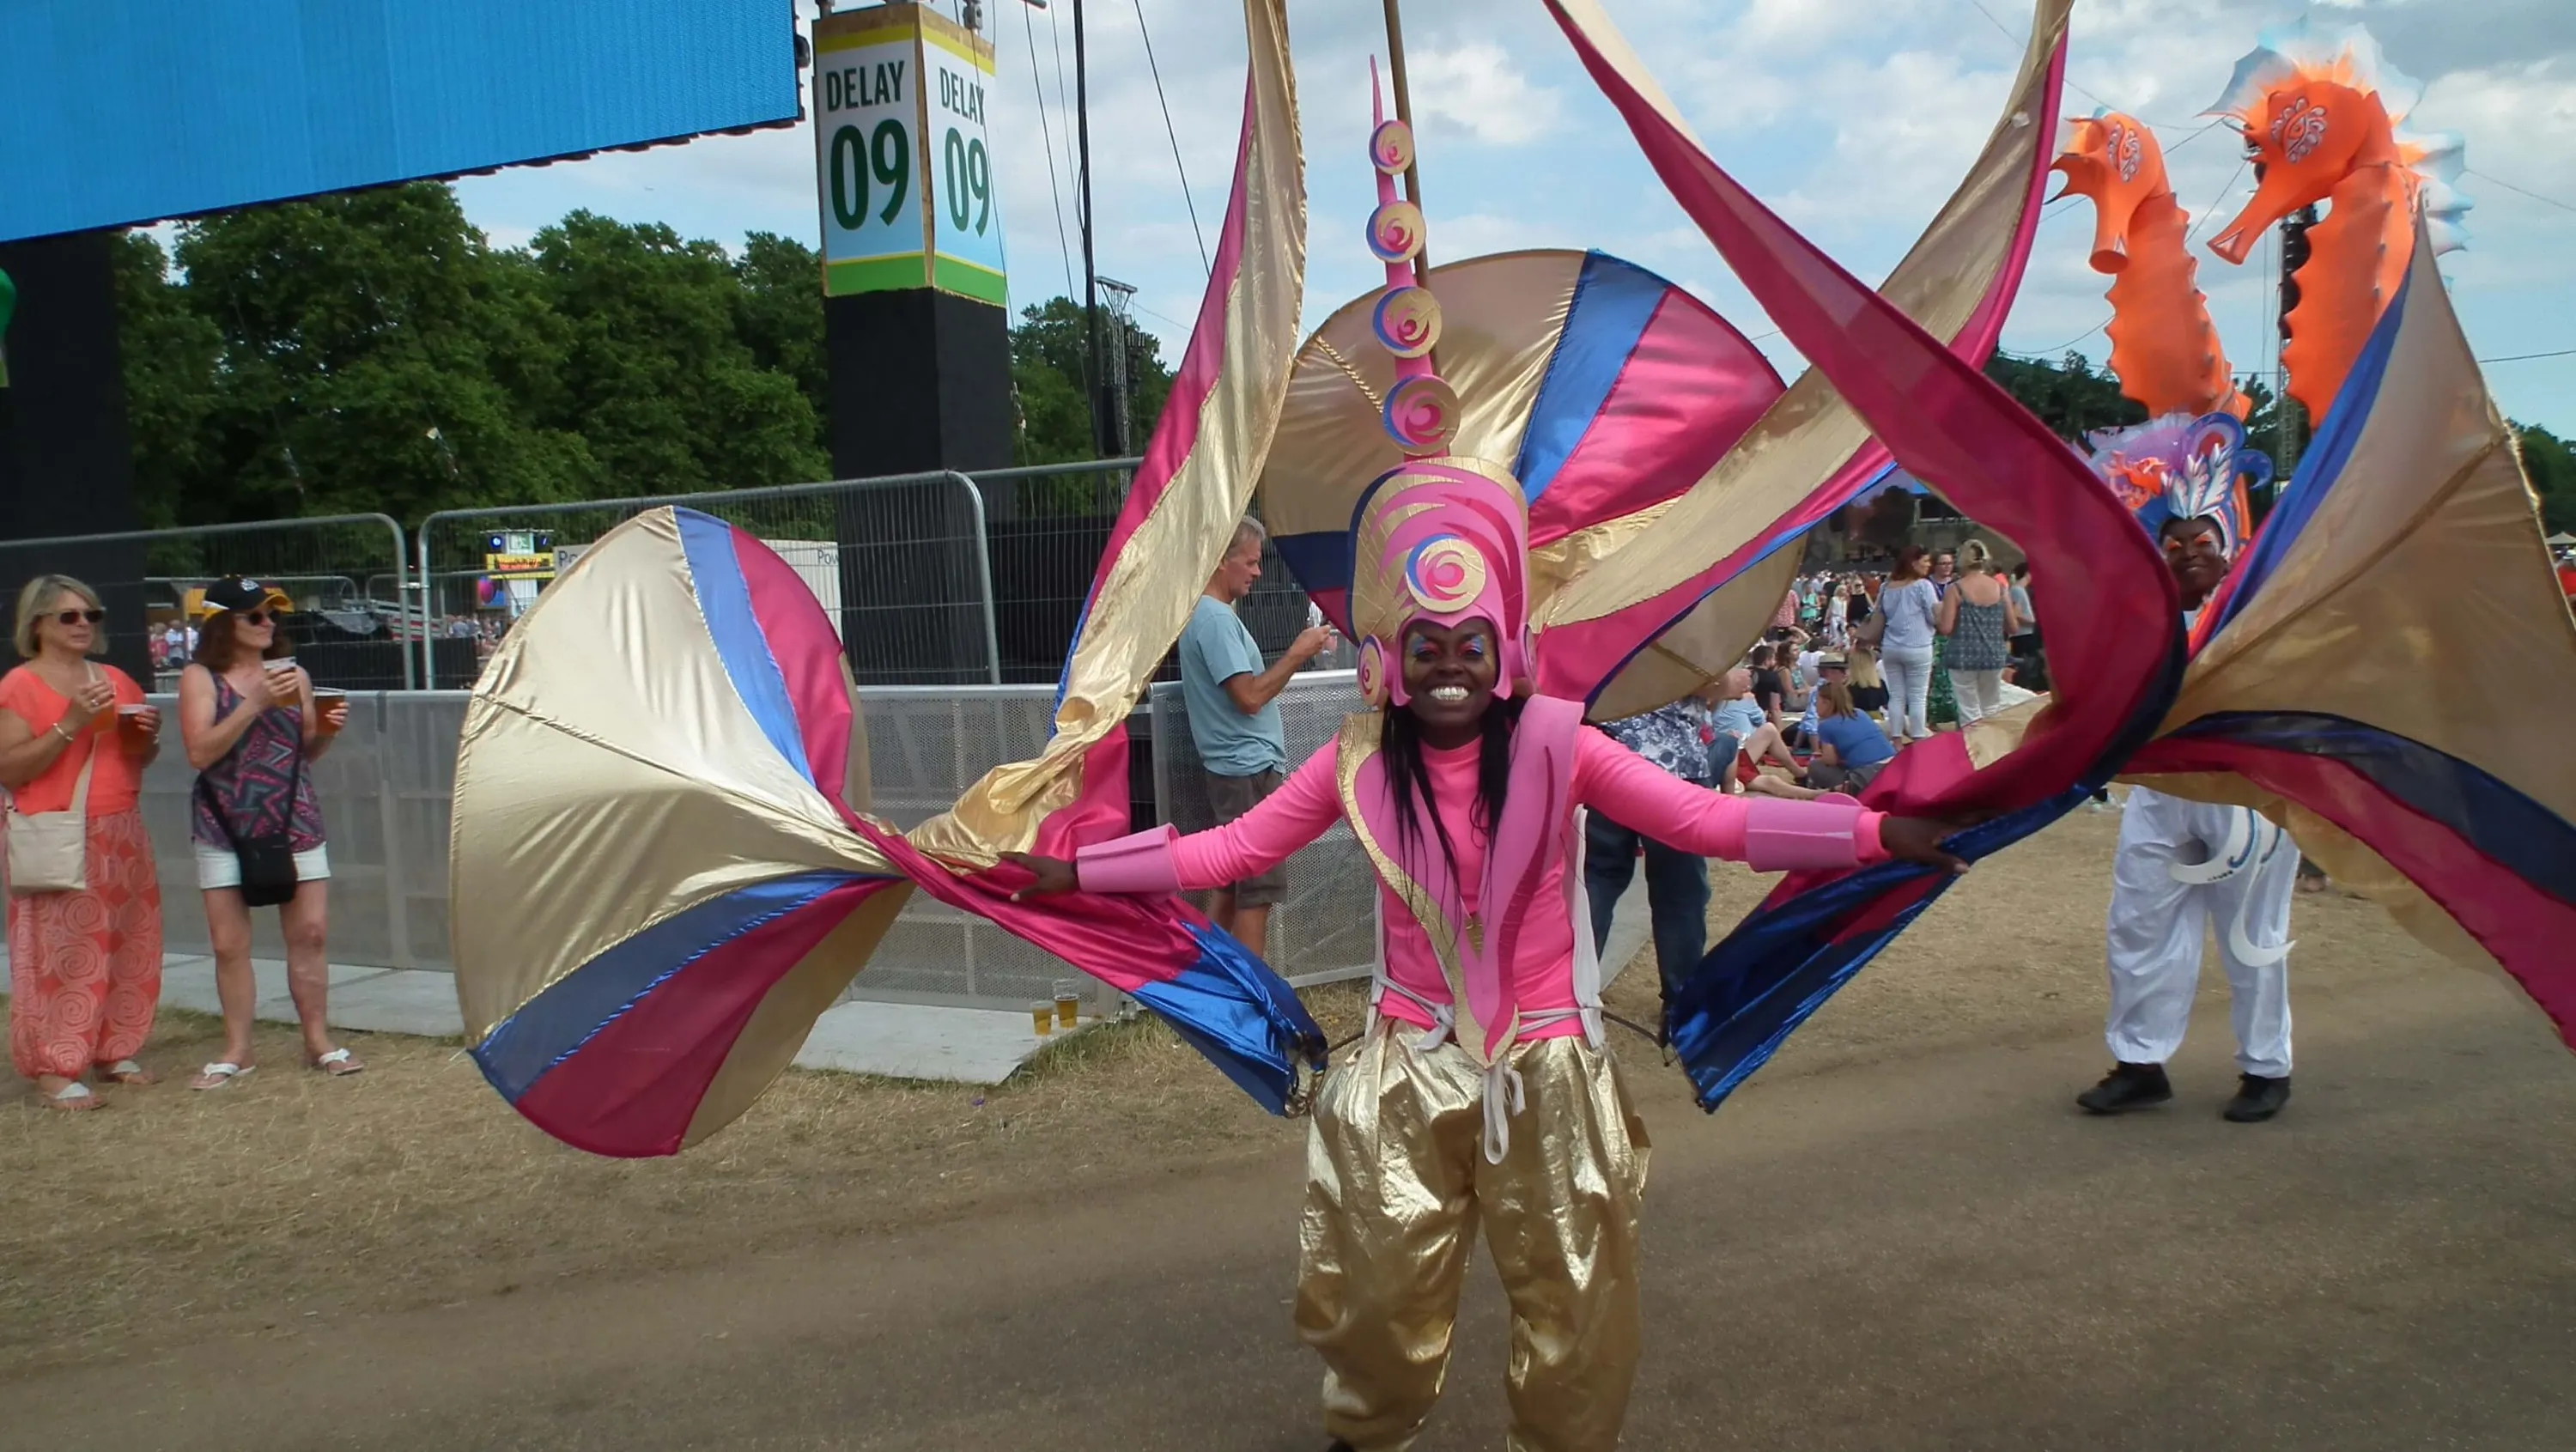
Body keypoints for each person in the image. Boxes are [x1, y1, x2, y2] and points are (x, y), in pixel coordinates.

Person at [1011, 462, 1972, 1452]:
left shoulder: (1564, 745)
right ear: (1390, 657)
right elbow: (1235, 848)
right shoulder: (1356, 756)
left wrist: (1867, 834)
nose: (1449, 665)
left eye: (1470, 644)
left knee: (1578, 1305)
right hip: (1404, 1067)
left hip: (1547, 1065)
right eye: (1425, 646)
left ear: (1506, 651)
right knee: (1372, 1294)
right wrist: (1081, 871)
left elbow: (1706, 819)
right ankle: (1369, 1430)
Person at [2079, 500, 2298, 1125]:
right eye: (2173, 546)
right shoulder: (2139, 622)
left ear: (2229, 548)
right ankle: (2140, 1063)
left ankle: (2265, 1068)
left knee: (2251, 934)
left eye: (2202, 539)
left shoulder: (2262, 612)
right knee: (2139, 926)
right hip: (2161, 794)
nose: (2190, 551)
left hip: (2245, 791)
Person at [178, 578, 359, 1090]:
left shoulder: (293, 675)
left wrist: (325, 732)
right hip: (224, 819)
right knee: (229, 943)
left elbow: (304, 752)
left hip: (292, 814)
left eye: (271, 615)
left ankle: (318, 1041)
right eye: (254, 616)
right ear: (222, 623)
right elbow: (199, 753)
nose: (268, 624)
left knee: (310, 934)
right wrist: (252, 703)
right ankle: (238, 1049)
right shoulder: (199, 678)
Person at [0, 577, 163, 1109]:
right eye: (68, 616)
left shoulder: (116, 678)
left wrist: (146, 740)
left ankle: (114, 1048)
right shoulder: (19, 686)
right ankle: (54, 1064)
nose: (82, 625)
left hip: (121, 826)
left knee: (128, 942)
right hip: (55, 828)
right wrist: (71, 723)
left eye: (90, 615)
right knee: (60, 953)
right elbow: (10, 767)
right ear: (37, 624)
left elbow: (134, 758)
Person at [1177, 517, 1333, 958]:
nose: (1257, 572)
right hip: (1246, 770)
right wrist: (1298, 653)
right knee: (1256, 889)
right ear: (1222, 562)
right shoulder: (1214, 621)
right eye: (1250, 562)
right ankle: (1253, 1000)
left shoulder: (1210, 617)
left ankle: (1200, 976)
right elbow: (1248, 696)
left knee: (1231, 882)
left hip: (1237, 769)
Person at [1584, 696, 1716, 1014]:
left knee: (1595, 883)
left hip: (1603, 756)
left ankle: (1572, 996)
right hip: (1673, 762)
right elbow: (1704, 676)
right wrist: (1727, 683)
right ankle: (1681, 1006)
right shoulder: (1684, 643)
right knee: (1679, 892)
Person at [1744, 679, 1896, 799]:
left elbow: (1830, 761)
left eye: (1817, 703)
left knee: (1816, 767)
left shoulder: (1827, 726)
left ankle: (1823, 787)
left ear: (1827, 703)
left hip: (1865, 775)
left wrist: (1820, 758)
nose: (1815, 708)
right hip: (1892, 765)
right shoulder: (1859, 713)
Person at [1936, 539, 2020, 724]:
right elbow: (2013, 627)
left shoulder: (1956, 588)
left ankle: (1973, 749)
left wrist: (1937, 614)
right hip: (1993, 655)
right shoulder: (2000, 588)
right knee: (1991, 707)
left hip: (1963, 656)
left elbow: (1946, 628)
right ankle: (1991, 747)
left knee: (1969, 711)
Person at [1875, 545, 1941, 740]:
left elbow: (1879, 613)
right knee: (1918, 697)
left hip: (1891, 646)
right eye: (1925, 561)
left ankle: (1896, 737)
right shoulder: (1923, 586)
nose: (1929, 565)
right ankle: (1918, 736)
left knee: (1896, 695)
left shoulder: (1886, 587)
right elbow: (1932, 617)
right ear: (1914, 562)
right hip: (1918, 645)